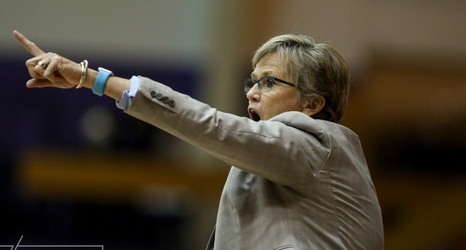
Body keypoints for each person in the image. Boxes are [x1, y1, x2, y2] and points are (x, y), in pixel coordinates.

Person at [13, 30, 384, 249]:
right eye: (251, 81)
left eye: (269, 82)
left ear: (312, 103)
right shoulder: (281, 156)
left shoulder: (318, 145)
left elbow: (209, 124)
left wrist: (89, 78)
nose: (252, 93)